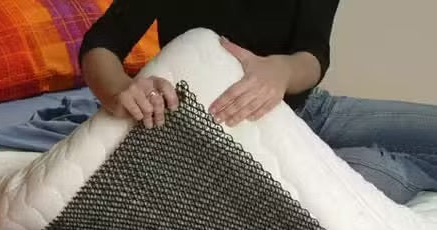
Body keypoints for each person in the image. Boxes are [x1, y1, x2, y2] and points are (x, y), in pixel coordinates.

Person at [79, 0, 437, 205]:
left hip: (306, 110)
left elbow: (314, 53)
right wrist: (118, 90)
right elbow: (102, 41)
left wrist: (281, 71)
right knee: (361, 170)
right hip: (224, 128)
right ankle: (414, 171)